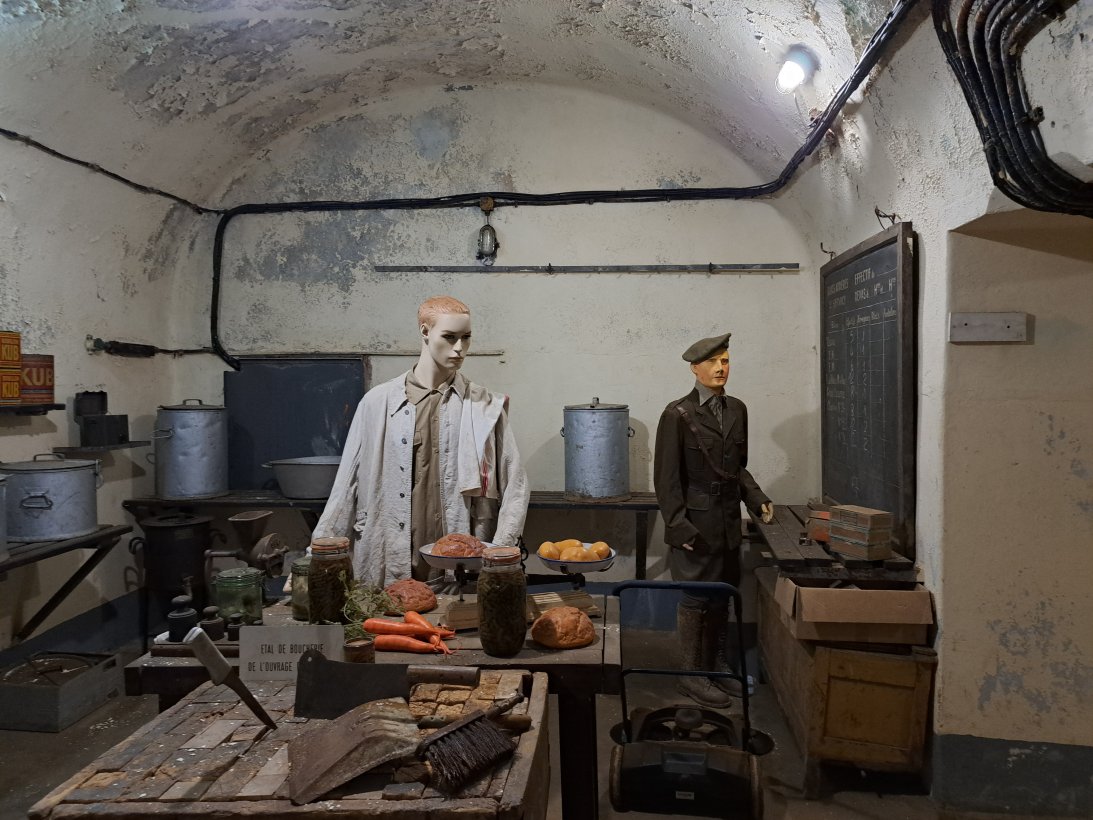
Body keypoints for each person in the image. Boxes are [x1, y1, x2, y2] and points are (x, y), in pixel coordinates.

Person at [312, 296, 530, 587]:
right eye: (449, 337)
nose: (459, 348)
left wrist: (500, 552)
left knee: (461, 616)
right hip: (388, 556)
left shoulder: (484, 406)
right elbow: (346, 485)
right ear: (425, 332)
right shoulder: (378, 403)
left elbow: (516, 486)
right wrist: (317, 557)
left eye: (466, 337)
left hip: (463, 561)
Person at [653, 332, 773, 707]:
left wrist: (757, 499)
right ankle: (691, 676)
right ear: (695, 368)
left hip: (727, 520)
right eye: (712, 362)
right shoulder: (677, 414)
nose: (721, 368)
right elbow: (666, 479)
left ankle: (716, 667)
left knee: (722, 595)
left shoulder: (737, 409)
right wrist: (678, 526)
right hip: (696, 525)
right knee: (695, 598)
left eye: (725, 360)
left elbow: (737, 469)